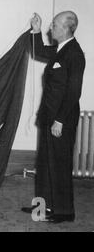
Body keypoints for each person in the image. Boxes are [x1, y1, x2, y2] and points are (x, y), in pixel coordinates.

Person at [22, 11, 85, 223]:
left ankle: (64, 212)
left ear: (67, 28)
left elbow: (73, 92)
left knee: (59, 164)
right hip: (49, 117)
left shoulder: (75, 53)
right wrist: (36, 30)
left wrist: (60, 120)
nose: (51, 27)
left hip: (61, 120)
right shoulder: (60, 50)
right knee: (45, 163)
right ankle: (43, 207)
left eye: (55, 24)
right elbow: (38, 50)